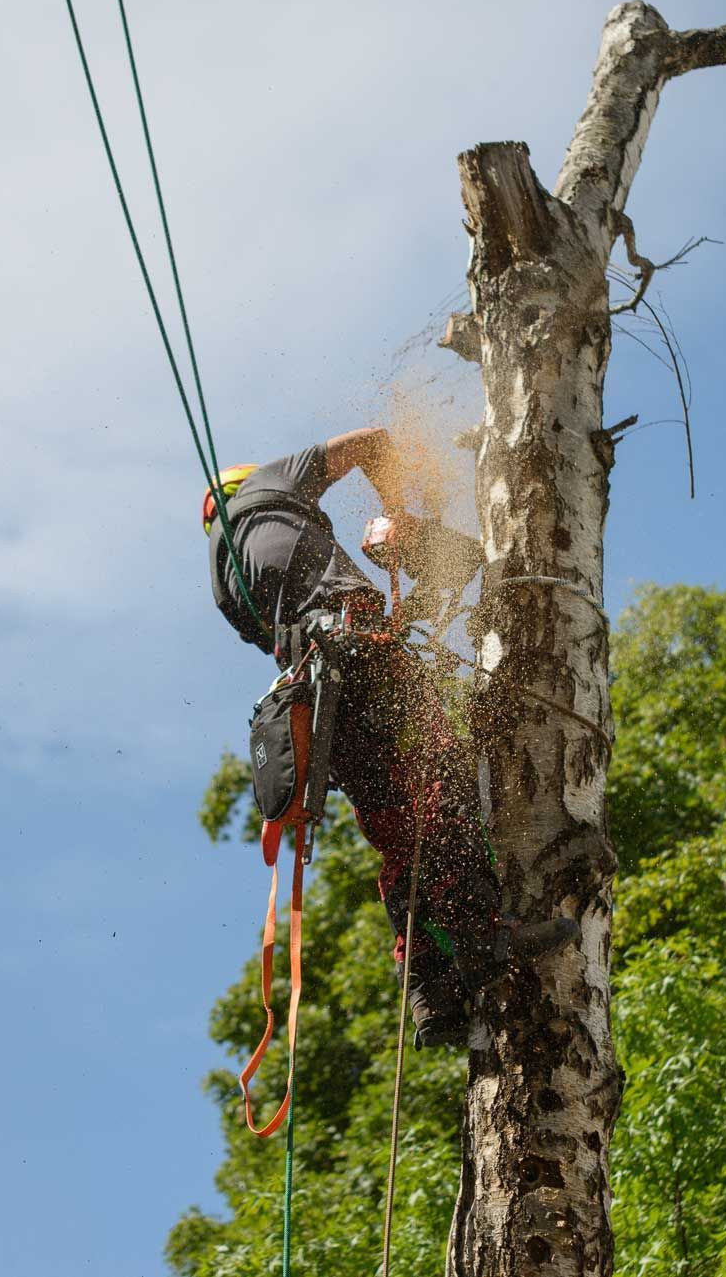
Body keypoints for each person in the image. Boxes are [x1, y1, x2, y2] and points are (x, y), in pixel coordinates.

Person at [203, 428, 572, 1047]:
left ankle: (430, 988)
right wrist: (400, 511)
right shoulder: (272, 482)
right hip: (359, 654)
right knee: (443, 776)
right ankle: (484, 940)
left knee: (399, 829)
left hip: (318, 704)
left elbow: (296, 615)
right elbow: (372, 441)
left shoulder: (225, 585)